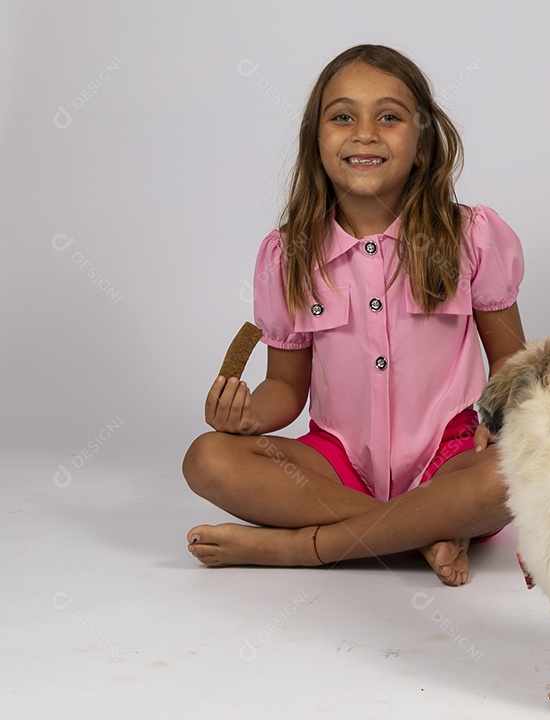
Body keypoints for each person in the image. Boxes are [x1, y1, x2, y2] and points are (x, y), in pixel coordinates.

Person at [182, 44, 525, 586]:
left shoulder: (471, 237)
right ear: (316, 143)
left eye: (389, 117)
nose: (365, 132)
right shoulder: (289, 255)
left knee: (513, 475)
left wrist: (506, 427)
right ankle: (425, 527)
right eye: (343, 117)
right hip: (338, 465)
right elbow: (285, 389)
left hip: (451, 457)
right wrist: (247, 417)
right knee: (207, 458)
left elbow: (511, 358)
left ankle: (301, 548)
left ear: (421, 144)